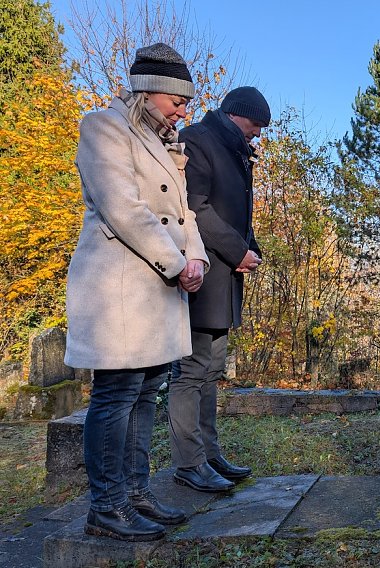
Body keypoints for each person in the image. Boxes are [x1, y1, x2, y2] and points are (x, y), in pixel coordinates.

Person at [64, 43, 209, 542]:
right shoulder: (104, 127)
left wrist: (197, 260)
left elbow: (185, 215)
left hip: (161, 289)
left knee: (147, 392)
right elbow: (122, 208)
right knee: (117, 395)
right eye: (178, 102)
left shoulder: (168, 144)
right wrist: (175, 261)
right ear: (151, 93)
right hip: (121, 288)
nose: (183, 112)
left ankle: (135, 493)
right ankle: (106, 506)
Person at [167, 87, 270, 492]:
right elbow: (195, 208)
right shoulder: (198, 140)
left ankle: (209, 455)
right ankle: (188, 464)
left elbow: (236, 211)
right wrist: (235, 249)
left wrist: (251, 248)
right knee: (191, 372)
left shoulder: (235, 149)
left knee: (211, 372)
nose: (257, 135)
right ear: (234, 115)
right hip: (201, 273)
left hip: (226, 279)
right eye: (255, 126)